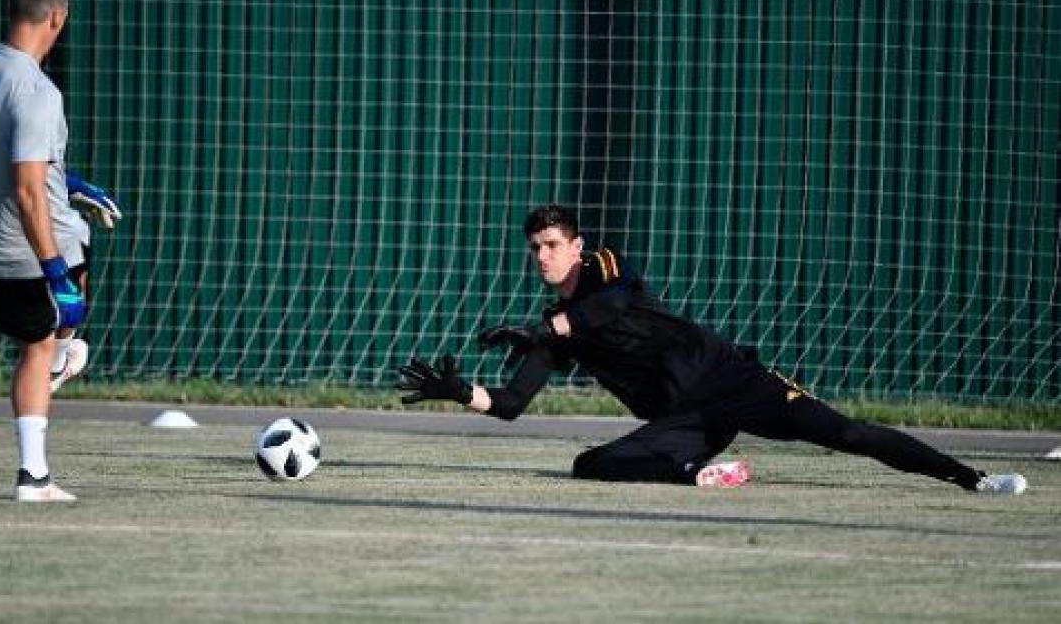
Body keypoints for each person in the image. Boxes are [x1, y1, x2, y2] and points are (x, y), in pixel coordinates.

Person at [398, 203, 1028, 494]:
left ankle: (972, 478)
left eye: (551, 244)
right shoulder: (552, 321)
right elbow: (510, 403)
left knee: (847, 433)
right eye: (533, 246)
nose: (541, 255)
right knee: (588, 465)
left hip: (731, 378)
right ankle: (697, 472)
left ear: (577, 245)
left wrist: (552, 330)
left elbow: (613, 307)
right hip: (684, 420)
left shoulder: (606, 269)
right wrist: (460, 392)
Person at [0, 0, 121, 503]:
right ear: (57, 17)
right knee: (40, 345)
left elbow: (9, 164)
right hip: (25, 250)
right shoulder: (37, 91)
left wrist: (69, 184)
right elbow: (27, 191)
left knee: (41, 334)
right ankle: (34, 477)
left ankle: (63, 352)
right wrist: (53, 270)